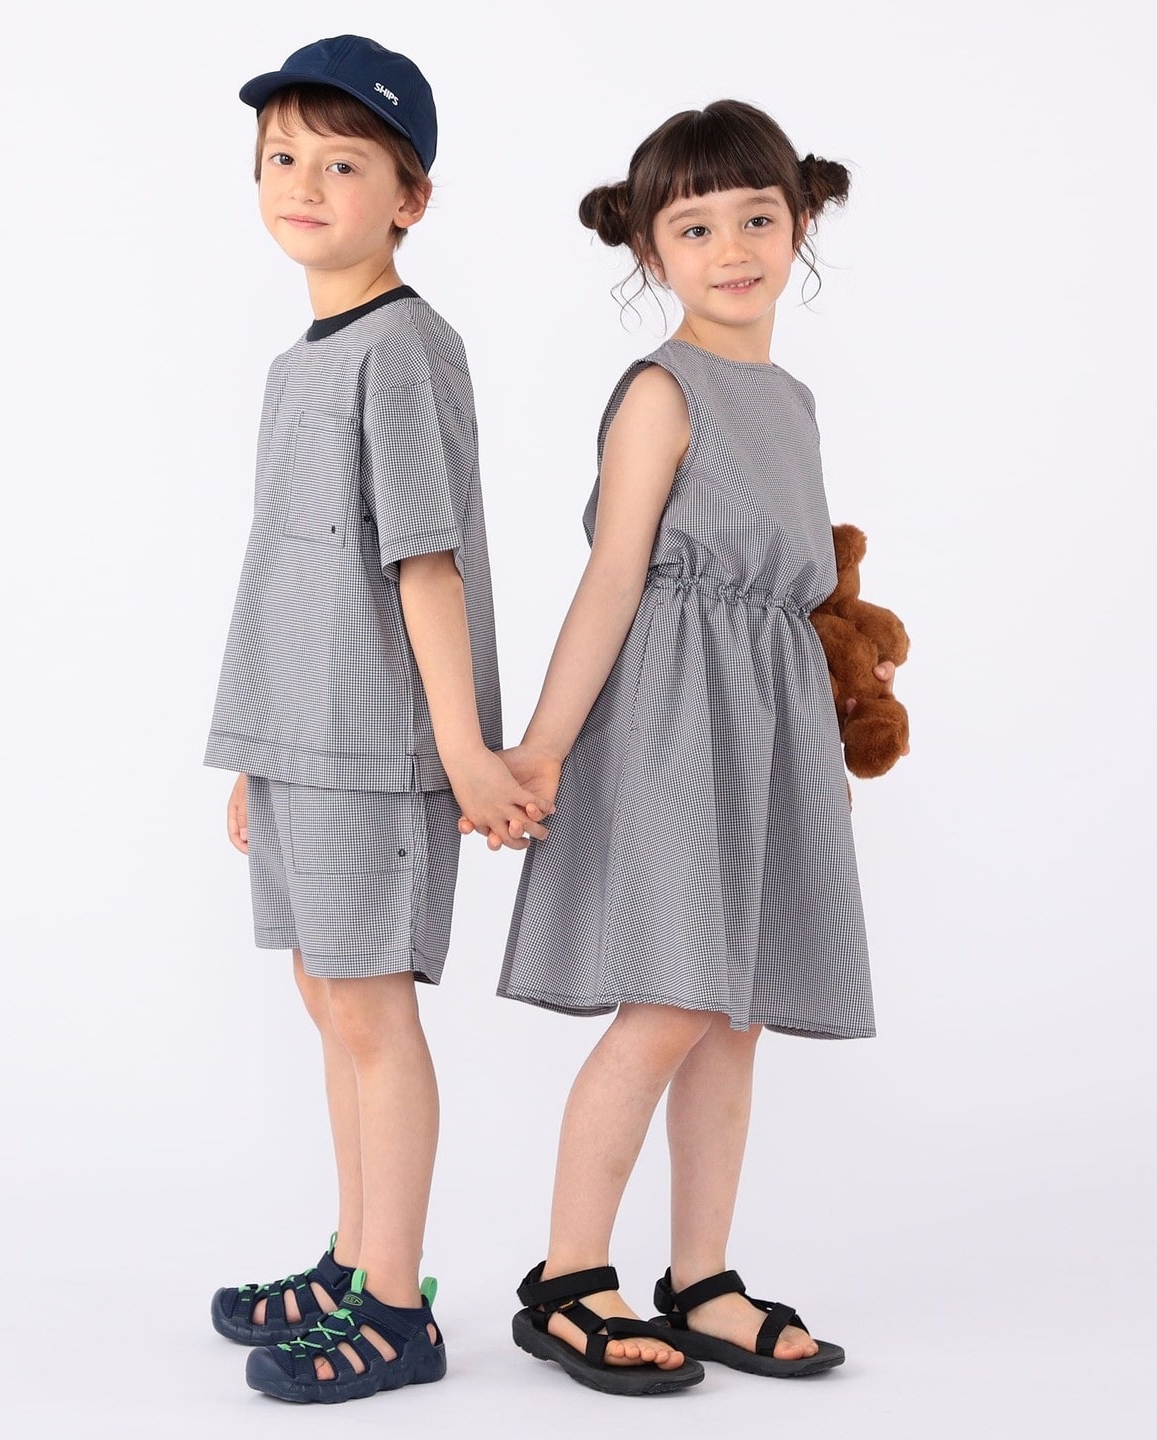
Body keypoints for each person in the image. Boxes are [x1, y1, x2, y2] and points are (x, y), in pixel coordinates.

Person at [489, 100, 902, 1396]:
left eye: (757, 218)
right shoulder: (662, 392)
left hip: (765, 718)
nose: (732, 249)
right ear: (649, 249)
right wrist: (543, 747)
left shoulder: (791, 400)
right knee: (669, 1000)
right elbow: (615, 577)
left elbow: (790, 582)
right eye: (695, 226)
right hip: (673, 716)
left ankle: (703, 1276)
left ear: (801, 223)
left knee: (735, 1014)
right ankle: (568, 1276)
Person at [202, 35, 547, 1406]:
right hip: (301, 740)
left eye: (343, 164)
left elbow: (427, 559)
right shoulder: (299, 361)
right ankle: (355, 1262)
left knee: (371, 1014)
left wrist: (464, 751)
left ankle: (396, 1312)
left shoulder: (404, 349)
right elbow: (290, 566)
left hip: (377, 749)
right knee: (325, 998)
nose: (304, 183)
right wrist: (256, 749)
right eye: (282, 157)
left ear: (411, 198)